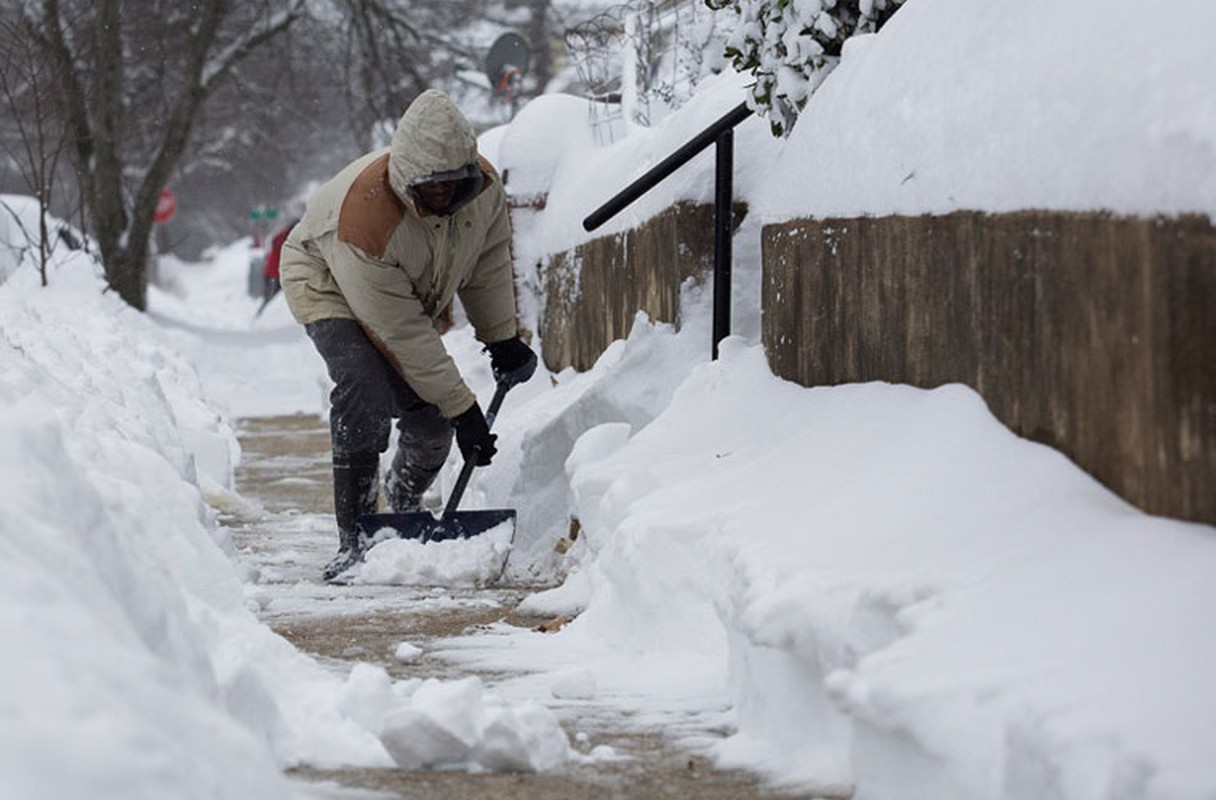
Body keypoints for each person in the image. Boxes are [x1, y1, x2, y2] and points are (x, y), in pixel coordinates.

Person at [279, 90, 538, 582]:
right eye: (430, 187)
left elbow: (485, 263)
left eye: (451, 184)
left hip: (405, 285)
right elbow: (403, 336)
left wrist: (502, 338)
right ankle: (356, 538)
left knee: (431, 416)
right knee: (365, 387)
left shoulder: (481, 191)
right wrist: (466, 411)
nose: (442, 195)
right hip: (327, 280)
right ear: (406, 178)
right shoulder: (365, 220)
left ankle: (401, 505)